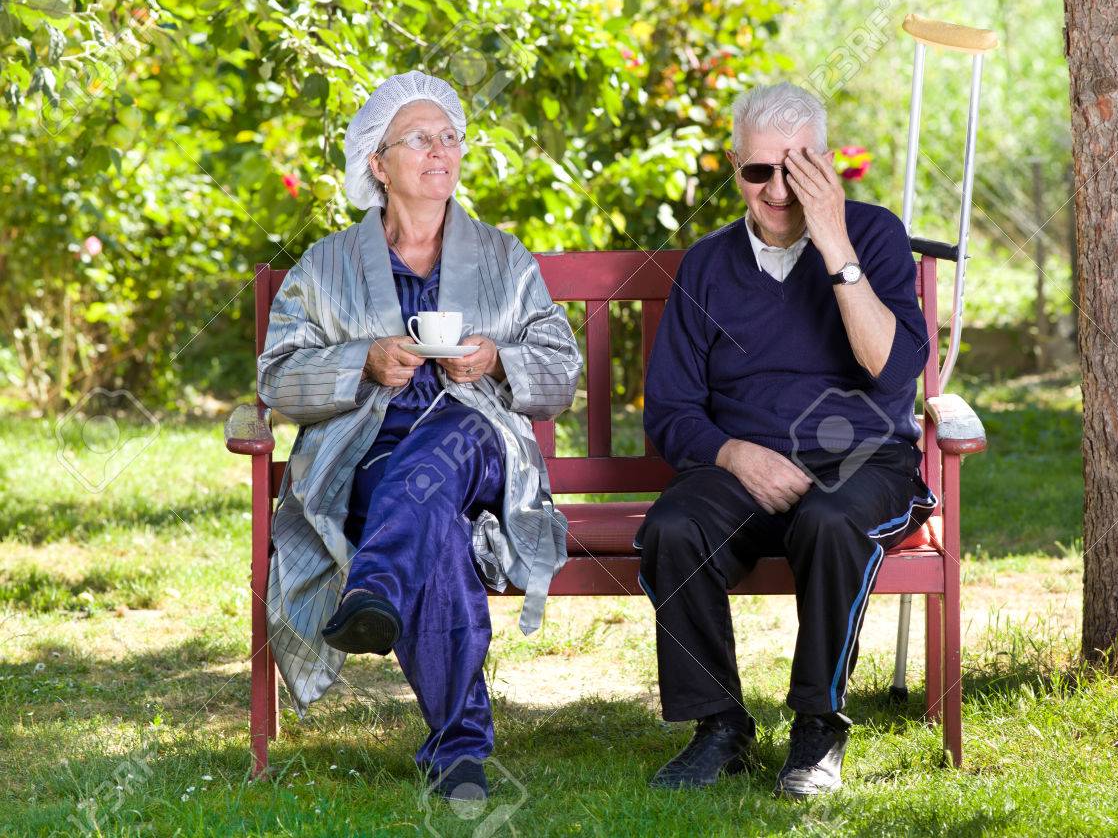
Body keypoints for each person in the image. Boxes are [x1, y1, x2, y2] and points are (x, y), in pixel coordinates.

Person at [256, 72, 581, 800]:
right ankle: (459, 753)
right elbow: (278, 378)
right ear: (378, 163)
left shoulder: (503, 258)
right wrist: (361, 363)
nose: (442, 150)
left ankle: (375, 586)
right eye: (421, 138)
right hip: (367, 461)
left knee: (448, 443)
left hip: (484, 448)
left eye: (451, 137)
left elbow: (561, 372)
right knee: (429, 520)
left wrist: (497, 360)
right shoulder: (327, 265)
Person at [638, 82, 935, 799]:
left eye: (796, 168)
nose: (777, 190)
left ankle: (817, 730)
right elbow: (671, 410)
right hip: (747, 466)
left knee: (832, 523)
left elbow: (891, 365)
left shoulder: (876, 235)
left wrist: (834, 240)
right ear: (734, 167)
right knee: (673, 528)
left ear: (826, 165)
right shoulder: (708, 265)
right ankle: (719, 728)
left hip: (861, 461)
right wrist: (736, 454)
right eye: (758, 171)